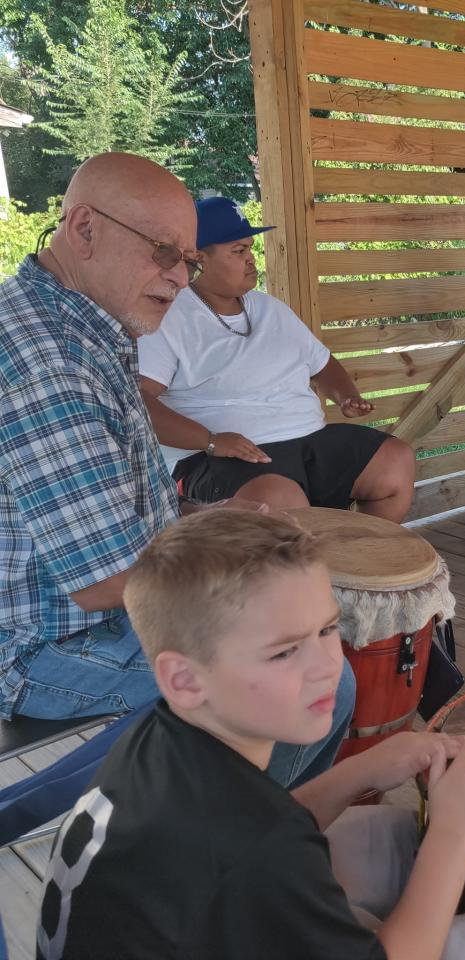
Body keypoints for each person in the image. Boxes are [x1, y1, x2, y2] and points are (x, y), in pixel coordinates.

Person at [36, 511, 465, 960]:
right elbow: (263, 849)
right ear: (184, 678)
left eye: (326, 629)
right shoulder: (259, 849)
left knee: (385, 841)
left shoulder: (157, 739)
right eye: (283, 651)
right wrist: (455, 832)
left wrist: (362, 770)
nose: (326, 665)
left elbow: (257, 831)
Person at [0, 153, 353, 787]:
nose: (178, 276)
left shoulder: (87, 330)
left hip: (100, 609)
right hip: (43, 647)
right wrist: (241, 568)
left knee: (300, 634)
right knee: (317, 676)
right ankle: (230, 850)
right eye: (164, 252)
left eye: (188, 261)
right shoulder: (47, 361)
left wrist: (212, 518)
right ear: (84, 228)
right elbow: (106, 579)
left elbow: (125, 514)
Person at [138, 196, 415, 521]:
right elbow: (138, 402)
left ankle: (353, 565)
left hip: (307, 438)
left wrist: (345, 396)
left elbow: (321, 363)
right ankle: (312, 569)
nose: (251, 260)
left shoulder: (270, 309)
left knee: (395, 461)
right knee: (277, 505)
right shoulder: (171, 317)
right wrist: (210, 441)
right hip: (219, 457)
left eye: (250, 248)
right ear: (199, 260)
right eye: (238, 251)